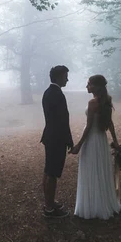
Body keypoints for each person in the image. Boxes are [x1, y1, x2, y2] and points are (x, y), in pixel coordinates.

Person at [69, 74, 121, 219]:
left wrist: (79, 145)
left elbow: (89, 127)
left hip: (91, 141)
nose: (87, 86)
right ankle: (102, 203)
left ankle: (92, 207)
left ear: (96, 86)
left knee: (91, 170)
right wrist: (115, 141)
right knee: (100, 170)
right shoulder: (106, 101)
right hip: (102, 141)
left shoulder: (93, 103)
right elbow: (110, 123)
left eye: (89, 84)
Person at [40, 65, 74, 218]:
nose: (67, 79)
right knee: (52, 173)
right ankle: (49, 209)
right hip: (56, 138)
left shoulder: (49, 92)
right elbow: (61, 120)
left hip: (51, 136)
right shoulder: (56, 94)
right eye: (66, 76)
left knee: (48, 171)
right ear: (59, 76)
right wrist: (68, 139)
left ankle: (50, 203)